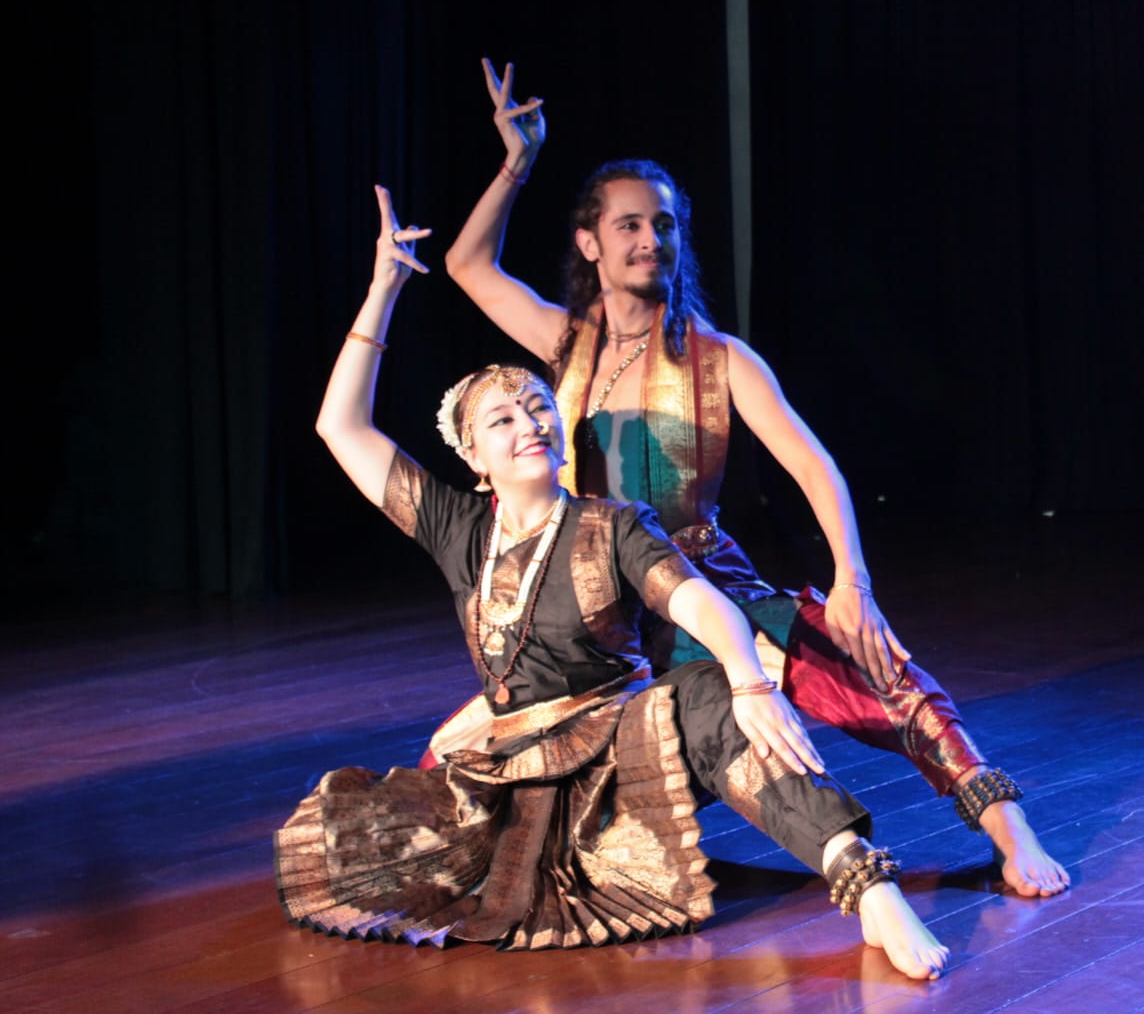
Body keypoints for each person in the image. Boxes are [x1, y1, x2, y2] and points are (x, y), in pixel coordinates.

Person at [275, 185, 949, 979]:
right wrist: (383, 289)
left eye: (536, 408)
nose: (528, 422)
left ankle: (862, 879)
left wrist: (749, 681)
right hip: (513, 779)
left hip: (617, 770)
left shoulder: (612, 523)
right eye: (502, 420)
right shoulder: (459, 531)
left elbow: (698, 599)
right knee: (352, 838)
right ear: (472, 458)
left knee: (705, 694)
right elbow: (339, 426)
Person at [437, 59, 1069, 898]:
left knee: (867, 669)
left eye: (662, 225)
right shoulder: (564, 346)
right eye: (627, 225)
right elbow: (467, 266)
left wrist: (856, 584)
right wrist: (516, 163)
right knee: (489, 769)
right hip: (600, 607)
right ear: (590, 243)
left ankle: (1006, 826)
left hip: (703, 580)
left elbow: (814, 464)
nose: (647, 240)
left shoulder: (720, 359)